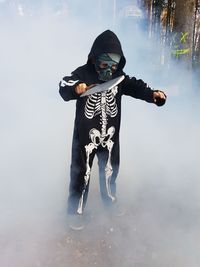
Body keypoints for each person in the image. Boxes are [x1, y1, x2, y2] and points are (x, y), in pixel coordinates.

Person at [59, 30, 166, 230]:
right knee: (81, 172)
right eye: (104, 63)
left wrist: (154, 95)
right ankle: (75, 211)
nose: (109, 69)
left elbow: (137, 87)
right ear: (94, 58)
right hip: (85, 139)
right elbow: (64, 84)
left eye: (114, 64)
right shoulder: (83, 73)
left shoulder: (119, 78)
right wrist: (76, 88)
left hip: (110, 136)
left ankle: (110, 200)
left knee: (110, 170)